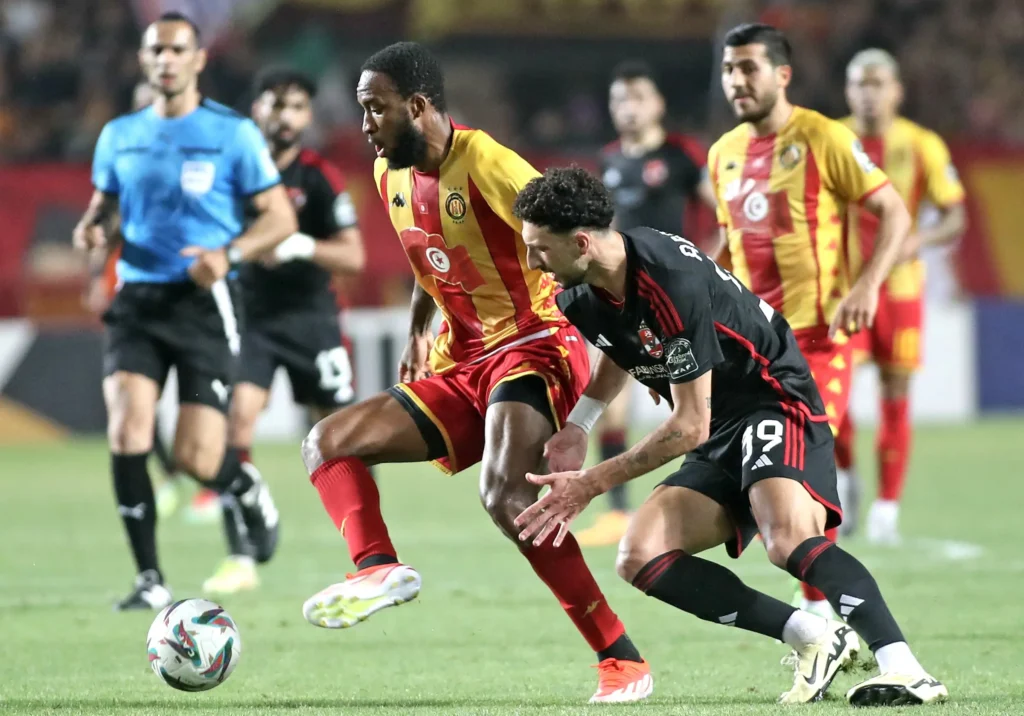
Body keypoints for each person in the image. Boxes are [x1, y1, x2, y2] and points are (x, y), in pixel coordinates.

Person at [511, 165, 948, 707]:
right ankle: (812, 637)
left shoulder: (668, 278)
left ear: (581, 242)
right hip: (720, 422)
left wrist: (590, 483)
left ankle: (905, 668)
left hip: (772, 398)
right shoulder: (578, 294)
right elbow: (619, 346)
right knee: (640, 555)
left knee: (785, 538)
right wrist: (580, 425)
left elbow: (687, 425)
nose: (532, 263)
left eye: (539, 249)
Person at [298, 42, 653, 704]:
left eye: (375, 110)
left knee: (506, 496)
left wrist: (633, 315)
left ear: (419, 106)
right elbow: (427, 255)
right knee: (327, 442)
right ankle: (377, 570)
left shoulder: (487, 162)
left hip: (535, 345)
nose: (366, 125)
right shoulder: (389, 176)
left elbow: (581, 236)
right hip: (463, 360)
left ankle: (621, 659)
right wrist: (417, 322)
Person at [72, 12, 295, 610]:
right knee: (128, 431)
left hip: (205, 301)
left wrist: (230, 253)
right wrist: (95, 232)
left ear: (199, 60)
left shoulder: (233, 134)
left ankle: (241, 483)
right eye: (156, 51)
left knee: (199, 458)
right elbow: (105, 207)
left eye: (177, 50)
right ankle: (149, 579)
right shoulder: (119, 134)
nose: (166, 60)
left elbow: (280, 218)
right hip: (139, 297)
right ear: (144, 60)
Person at [703, 23, 916, 619]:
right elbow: (729, 241)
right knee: (774, 486)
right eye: (728, 69)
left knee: (799, 482)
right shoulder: (723, 154)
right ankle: (822, 612)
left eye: (749, 68)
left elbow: (893, 213)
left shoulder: (821, 137)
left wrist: (867, 285)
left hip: (819, 342)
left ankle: (822, 615)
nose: (737, 80)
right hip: (750, 351)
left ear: (782, 74)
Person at [202, 68, 367, 595]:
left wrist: (303, 247)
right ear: (257, 110)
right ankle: (241, 554)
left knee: (338, 438)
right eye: (275, 104)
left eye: (296, 107)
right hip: (251, 320)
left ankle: (368, 554)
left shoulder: (318, 177)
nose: (284, 116)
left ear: (308, 117)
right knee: (234, 427)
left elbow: (355, 256)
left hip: (312, 319)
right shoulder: (233, 175)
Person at [578, 59, 718, 547]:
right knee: (612, 402)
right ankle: (617, 514)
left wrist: (706, 266)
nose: (628, 109)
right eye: (619, 100)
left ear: (657, 103)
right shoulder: (610, 160)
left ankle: (727, 496)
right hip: (626, 300)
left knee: (700, 405)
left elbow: (721, 215)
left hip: (679, 300)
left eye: (637, 98)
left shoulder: (680, 155)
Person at [835, 49, 967, 541]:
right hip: (843, 290)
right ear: (849, 91)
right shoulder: (833, 138)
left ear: (896, 90)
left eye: (877, 84)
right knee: (835, 395)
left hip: (900, 290)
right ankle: (847, 480)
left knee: (895, 396)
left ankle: (887, 509)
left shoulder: (922, 144)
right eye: (859, 85)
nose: (868, 93)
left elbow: (954, 214)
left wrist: (920, 239)